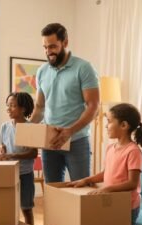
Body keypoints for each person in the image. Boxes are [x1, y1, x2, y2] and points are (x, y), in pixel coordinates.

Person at [30, 23, 100, 183]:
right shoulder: (42, 71)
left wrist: (70, 131)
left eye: (53, 46)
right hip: (50, 142)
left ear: (65, 42)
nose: (48, 52)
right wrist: (27, 128)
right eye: (45, 47)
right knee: (52, 190)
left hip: (77, 141)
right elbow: (40, 107)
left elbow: (93, 106)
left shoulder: (84, 68)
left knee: (81, 190)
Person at [0, 92, 38, 225]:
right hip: (9, 173)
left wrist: (11, 155)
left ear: (23, 109)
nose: (8, 109)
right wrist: (1, 151)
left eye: (12, 106)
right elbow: (1, 146)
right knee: (8, 208)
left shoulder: (30, 128)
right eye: (7, 105)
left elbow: (33, 153)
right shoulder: (5, 127)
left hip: (25, 174)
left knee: (26, 208)